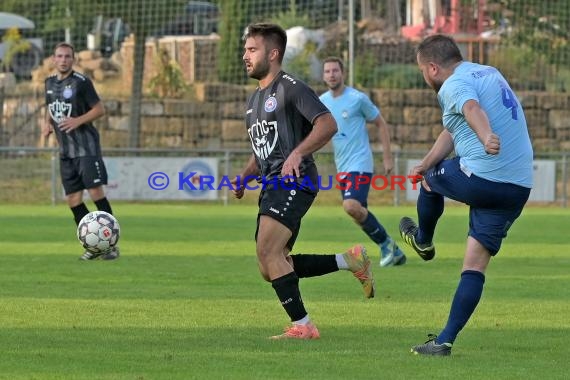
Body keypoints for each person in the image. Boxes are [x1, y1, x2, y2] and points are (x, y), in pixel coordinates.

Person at [232, 23, 375, 340]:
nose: (245, 56)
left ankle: (304, 326)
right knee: (271, 265)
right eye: (245, 50)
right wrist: (243, 178)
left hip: (294, 181)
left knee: (268, 252)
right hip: (272, 184)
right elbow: (262, 150)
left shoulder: (291, 88)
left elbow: (327, 124)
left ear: (273, 53)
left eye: (252, 50)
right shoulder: (254, 102)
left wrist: (298, 153)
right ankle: (349, 260)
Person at [399, 34, 533, 355]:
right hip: (517, 188)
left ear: (433, 68)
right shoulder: (487, 72)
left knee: (431, 182)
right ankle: (444, 341)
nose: (424, 77)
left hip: (484, 175)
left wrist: (487, 136)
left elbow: (472, 110)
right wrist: (427, 162)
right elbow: (455, 126)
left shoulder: (452, 85)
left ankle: (423, 240)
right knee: (474, 266)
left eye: (422, 71)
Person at [320, 57, 407, 267]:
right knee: (359, 214)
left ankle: (387, 244)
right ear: (323, 76)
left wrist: (387, 157)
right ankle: (392, 250)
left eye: (335, 71)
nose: (331, 74)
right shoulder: (322, 101)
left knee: (350, 206)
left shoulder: (357, 99)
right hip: (342, 166)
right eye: (327, 71)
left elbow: (381, 123)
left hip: (360, 163)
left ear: (343, 73)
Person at [41, 42, 119, 261]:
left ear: (72, 59)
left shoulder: (81, 83)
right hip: (66, 151)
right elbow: (49, 106)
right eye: (60, 56)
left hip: (86, 148)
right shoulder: (48, 83)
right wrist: (46, 124)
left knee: (95, 192)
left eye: (67, 56)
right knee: (73, 200)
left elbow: (99, 109)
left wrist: (77, 121)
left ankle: (110, 245)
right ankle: (94, 246)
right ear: (53, 59)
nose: (63, 60)